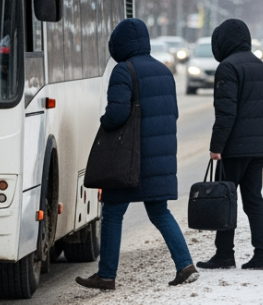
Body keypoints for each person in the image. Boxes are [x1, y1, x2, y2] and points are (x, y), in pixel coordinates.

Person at [76, 18, 198, 290]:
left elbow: (117, 114)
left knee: (112, 214)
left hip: (130, 160)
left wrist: (105, 121)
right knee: (160, 213)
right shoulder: (164, 71)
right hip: (159, 157)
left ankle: (106, 275)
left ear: (120, 44)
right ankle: (185, 264)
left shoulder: (123, 70)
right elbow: (172, 114)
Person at [196, 19, 263, 271]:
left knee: (226, 199)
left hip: (235, 146)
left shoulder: (228, 67)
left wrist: (216, 146)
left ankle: (224, 254)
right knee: (253, 199)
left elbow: (226, 112)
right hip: (258, 146)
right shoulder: (260, 65)